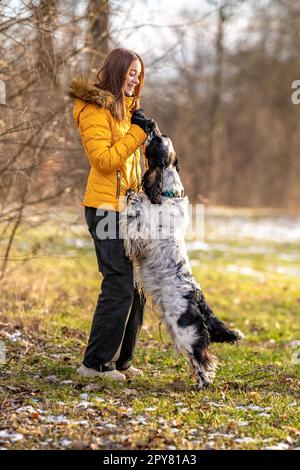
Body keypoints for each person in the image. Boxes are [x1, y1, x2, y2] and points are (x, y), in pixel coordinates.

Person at [69, 48, 154, 380]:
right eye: (130, 72)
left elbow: (131, 162)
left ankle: (121, 362)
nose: (135, 78)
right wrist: (136, 135)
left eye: (138, 73)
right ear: (117, 72)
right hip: (105, 209)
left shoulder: (128, 111)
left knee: (136, 286)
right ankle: (94, 365)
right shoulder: (94, 108)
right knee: (118, 282)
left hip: (129, 210)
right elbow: (103, 160)